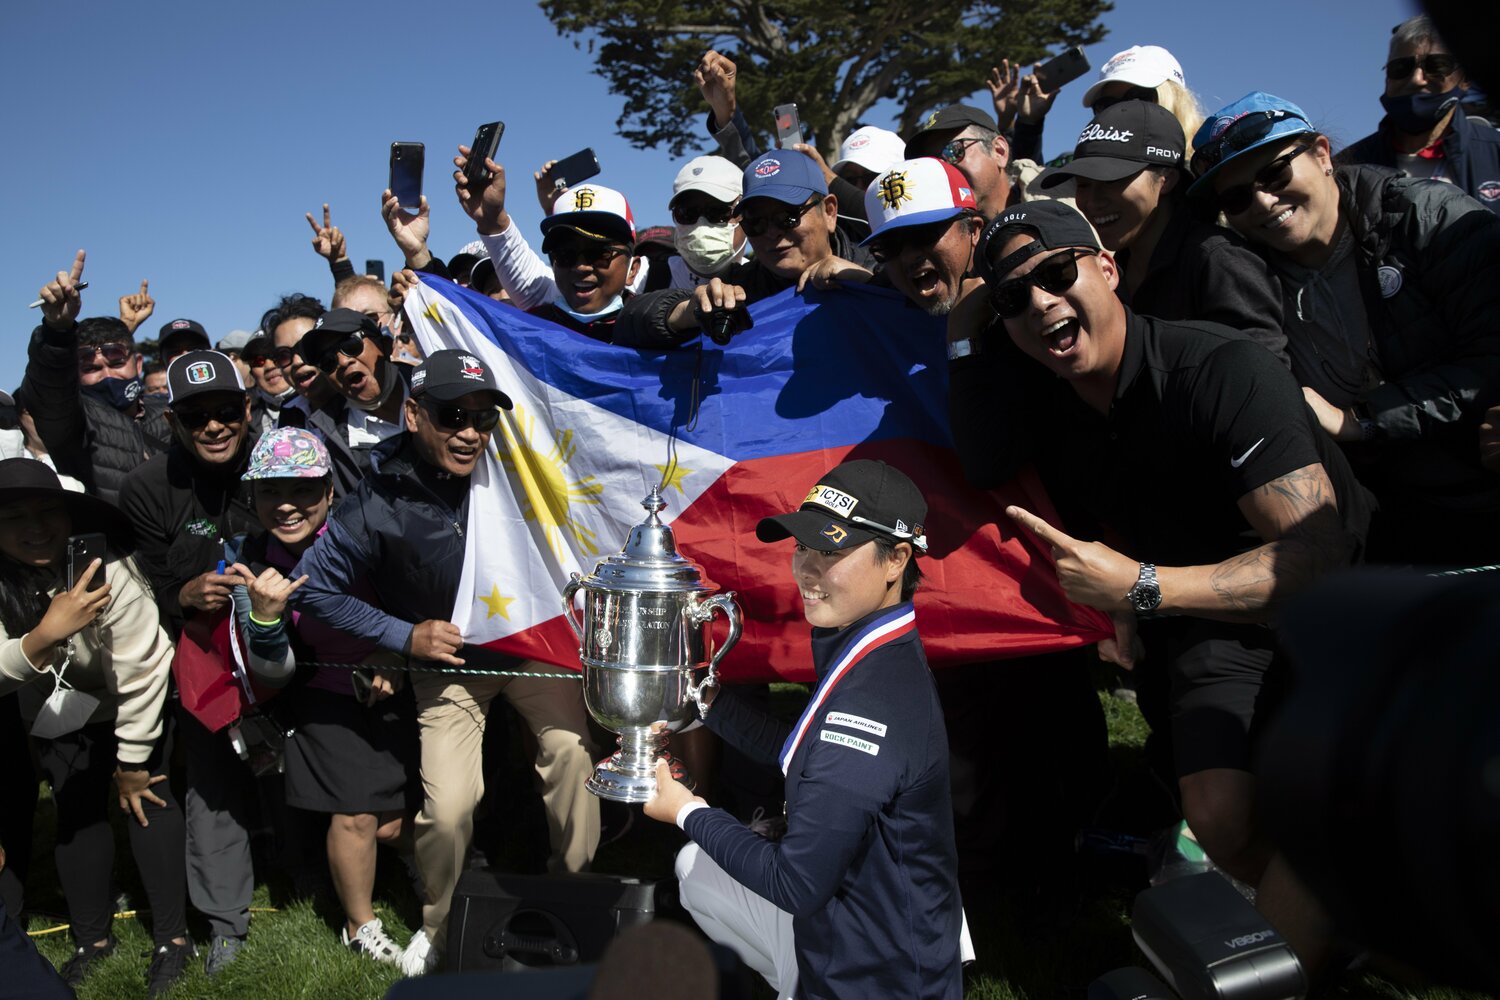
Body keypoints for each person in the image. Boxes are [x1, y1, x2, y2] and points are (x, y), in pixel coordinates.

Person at [950, 198, 1372, 972]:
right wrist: (958, 328)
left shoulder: (1222, 369)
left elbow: (1317, 559)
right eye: (1012, 298)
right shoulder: (1050, 407)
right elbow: (978, 460)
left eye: (1056, 273)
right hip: (1204, 621)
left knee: (1325, 817)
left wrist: (1140, 590)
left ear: (1107, 268)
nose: (1041, 301)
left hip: (1338, 615)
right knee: (1218, 817)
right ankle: (1330, 926)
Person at [292, 349, 600, 975]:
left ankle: (575, 897)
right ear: (412, 414)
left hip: (531, 649)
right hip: (447, 666)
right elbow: (313, 588)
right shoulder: (375, 500)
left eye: (484, 419)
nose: (470, 433)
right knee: (452, 803)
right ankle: (441, 922)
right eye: (453, 415)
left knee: (572, 755)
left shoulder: (517, 471)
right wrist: (403, 636)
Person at [646, 459, 963, 1000]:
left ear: (897, 560)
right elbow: (807, 751)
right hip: (864, 936)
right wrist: (708, 702)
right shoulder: (876, 650)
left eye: (831, 551)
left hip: (876, 981)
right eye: (803, 548)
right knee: (695, 867)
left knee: (697, 849)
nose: (807, 571)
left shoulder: (873, 697)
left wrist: (685, 809)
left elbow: (795, 884)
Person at [1190, 91, 1500, 565]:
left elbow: (1490, 360)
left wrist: (1359, 419)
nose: (1263, 201)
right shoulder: (1246, 278)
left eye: (1275, 172)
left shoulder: (1429, 218)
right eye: (1236, 197)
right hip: (1373, 518)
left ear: (1321, 154)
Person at [225, 427, 418, 965]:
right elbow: (274, 672)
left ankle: (428, 870)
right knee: (357, 815)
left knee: (399, 822)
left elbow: (418, 599)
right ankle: (361, 927)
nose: (286, 506)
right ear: (253, 499)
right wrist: (264, 618)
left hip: (404, 687)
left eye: (303, 490)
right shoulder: (251, 562)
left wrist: (394, 654)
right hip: (322, 699)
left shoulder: (370, 537)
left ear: (331, 492)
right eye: (269, 492)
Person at [0, 458, 192, 995]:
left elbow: (142, 667)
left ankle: (173, 939)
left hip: (134, 700)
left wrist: (132, 760)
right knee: (75, 811)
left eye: (46, 512)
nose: (35, 528)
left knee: (149, 802)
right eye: (15, 517)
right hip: (60, 703)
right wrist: (43, 636)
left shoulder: (109, 568)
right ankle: (92, 939)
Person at [1038, 101, 1287, 361]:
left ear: (1166, 178)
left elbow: (1264, 378)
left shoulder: (1219, 261)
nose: (1092, 201)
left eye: (1112, 180)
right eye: (1083, 184)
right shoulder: (1117, 268)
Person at [617, 150, 876, 343]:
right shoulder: (742, 287)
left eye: (788, 217)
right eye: (755, 222)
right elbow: (629, 321)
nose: (773, 232)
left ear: (829, 212)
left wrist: (872, 288)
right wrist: (688, 311)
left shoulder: (876, 269)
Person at [452, 142, 650, 342]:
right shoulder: (533, 329)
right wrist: (491, 219)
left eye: (599, 254)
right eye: (565, 255)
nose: (581, 266)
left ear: (632, 270)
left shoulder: (660, 330)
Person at [21, 250, 172, 504]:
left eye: (116, 363)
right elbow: (50, 391)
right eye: (91, 369)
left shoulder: (170, 415)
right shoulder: (74, 427)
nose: (107, 375)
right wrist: (57, 331)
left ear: (137, 363)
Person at [1337, 15, 1500, 215]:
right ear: (1386, 78)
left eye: (1436, 66)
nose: (1416, 79)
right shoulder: (1347, 167)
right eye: (1400, 68)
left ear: (1465, 79)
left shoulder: (1495, 152)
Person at [1004, 44, 1208, 165]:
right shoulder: (1082, 172)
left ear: (1175, 99)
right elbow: (1030, 188)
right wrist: (1029, 123)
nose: (1122, 112)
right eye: (1106, 105)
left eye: (1139, 97)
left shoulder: (1212, 163)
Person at [295, 307, 412, 487]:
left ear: (385, 344)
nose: (343, 361)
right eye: (327, 361)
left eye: (351, 345)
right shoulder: (329, 443)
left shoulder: (433, 388)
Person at [904, 105, 1012, 219]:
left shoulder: (1032, 201)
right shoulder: (936, 234)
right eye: (931, 161)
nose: (942, 168)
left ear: (999, 151)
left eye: (953, 151)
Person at [664, 155, 749, 289]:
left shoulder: (770, 283)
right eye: (687, 213)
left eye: (717, 211)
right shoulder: (644, 279)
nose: (700, 224)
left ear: (744, 213)